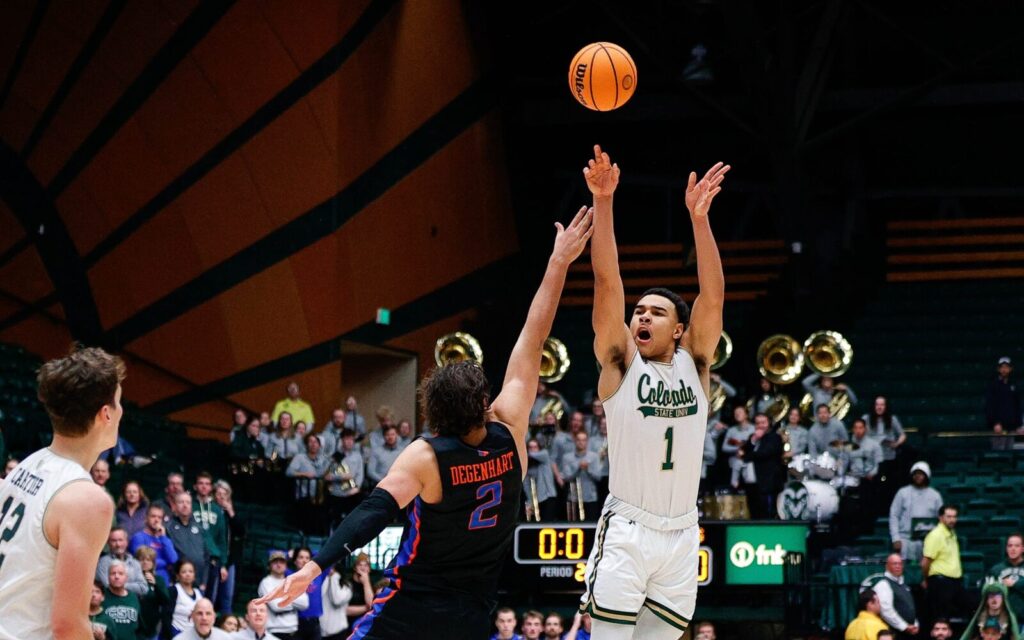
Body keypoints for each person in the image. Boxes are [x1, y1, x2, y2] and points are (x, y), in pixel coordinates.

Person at [256, 205, 593, 639]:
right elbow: (534, 334)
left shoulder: (427, 456)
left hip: (408, 607)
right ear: (484, 402)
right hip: (471, 615)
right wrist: (558, 262)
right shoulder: (510, 431)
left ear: (435, 413)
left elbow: (373, 512)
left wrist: (315, 567)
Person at [580, 144, 729, 638]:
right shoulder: (622, 367)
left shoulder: (696, 363)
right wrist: (604, 201)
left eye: (656, 312)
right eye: (639, 311)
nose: (642, 315)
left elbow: (713, 295)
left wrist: (699, 219)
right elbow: (606, 281)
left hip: (684, 533)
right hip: (628, 531)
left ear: (680, 330)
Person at [0, 346, 125, 640]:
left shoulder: (29, 464)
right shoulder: (87, 500)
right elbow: (68, 626)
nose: (122, 411)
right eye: (119, 402)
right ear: (105, 414)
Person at [922, 505, 974, 623]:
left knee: (971, 606)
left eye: (954, 517)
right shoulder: (936, 535)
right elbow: (925, 562)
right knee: (941, 619)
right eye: (949, 516)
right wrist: (926, 580)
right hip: (940, 582)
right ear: (941, 518)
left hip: (954, 582)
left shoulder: (951, 533)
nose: (952, 520)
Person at [890, 462, 944, 561]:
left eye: (921, 474)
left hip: (927, 541)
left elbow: (941, 520)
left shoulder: (935, 495)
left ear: (926, 476)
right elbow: (894, 516)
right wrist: (896, 538)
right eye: (915, 474)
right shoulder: (902, 493)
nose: (918, 476)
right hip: (905, 539)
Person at [739, 412, 784, 519]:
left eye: (763, 422)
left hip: (767, 483)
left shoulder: (775, 437)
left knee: (767, 513)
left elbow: (764, 453)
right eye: (758, 423)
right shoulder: (752, 437)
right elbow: (743, 451)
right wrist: (754, 440)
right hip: (751, 482)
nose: (760, 425)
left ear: (769, 423)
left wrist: (748, 455)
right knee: (753, 511)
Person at [193, 472, 229, 606]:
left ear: (210, 488)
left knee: (208, 599)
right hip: (194, 557)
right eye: (201, 483)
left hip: (213, 559)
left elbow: (222, 539)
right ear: (195, 486)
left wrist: (223, 564)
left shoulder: (216, 510)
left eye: (207, 484)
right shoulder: (189, 505)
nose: (204, 487)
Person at [167, 491, 213, 591]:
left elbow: (206, 556)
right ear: (174, 506)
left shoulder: (199, 527)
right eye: (181, 502)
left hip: (198, 582)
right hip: (177, 581)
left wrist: (204, 582)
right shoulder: (168, 527)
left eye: (188, 502)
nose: (185, 505)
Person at [286, 435, 331, 534]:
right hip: (304, 496)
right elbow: (289, 472)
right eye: (310, 441)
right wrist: (304, 474)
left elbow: (323, 473)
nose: (313, 444)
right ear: (306, 444)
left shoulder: (323, 459)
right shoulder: (299, 457)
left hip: (319, 497)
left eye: (316, 442)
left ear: (319, 445)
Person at [259, 551, 309, 639]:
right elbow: (276, 606)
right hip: (274, 632)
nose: (279, 565)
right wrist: (293, 597)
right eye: (275, 562)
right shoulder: (266, 582)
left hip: (293, 632)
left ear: (286, 565)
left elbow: (305, 604)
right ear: (270, 565)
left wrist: (283, 598)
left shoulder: (293, 581)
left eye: (282, 562)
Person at [319, 560, 372, 640]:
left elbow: (371, 604)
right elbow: (343, 609)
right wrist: (367, 609)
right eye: (360, 565)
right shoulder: (347, 583)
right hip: (343, 626)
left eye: (366, 565)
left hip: (363, 626)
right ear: (355, 567)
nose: (363, 568)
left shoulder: (371, 584)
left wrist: (366, 582)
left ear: (369, 569)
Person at [870, 553, 920, 637]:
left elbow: (910, 608)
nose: (898, 566)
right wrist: (904, 626)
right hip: (894, 633)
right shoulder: (883, 584)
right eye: (894, 563)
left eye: (900, 563)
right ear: (887, 566)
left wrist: (915, 624)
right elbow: (886, 611)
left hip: (910, 631)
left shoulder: (904, 585)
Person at [130, 504, 179, 584]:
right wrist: (165, 563)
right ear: (146, 518)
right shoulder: (138, 537)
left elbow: (173, 559)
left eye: (159, 517)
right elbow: (142, 561)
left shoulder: (164, 538)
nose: (156, 520)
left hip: (164, 580)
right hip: (145, 579)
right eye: (153, 516)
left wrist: (163, 537)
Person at [324, 429, 364, 526]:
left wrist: (357, 487)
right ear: (342, 440)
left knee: (352, 520)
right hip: (336, 493)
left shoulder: (357, 456)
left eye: (351, 439)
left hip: (352, 492)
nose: (349, 441)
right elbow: (327, 475)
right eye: (347, 439)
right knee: (335, 520)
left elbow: (360, 474)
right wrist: (341, 477)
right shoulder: (334, 456)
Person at [561, 430, 601, 521]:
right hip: (573, 498)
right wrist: (578, 467)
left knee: (591, 527)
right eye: (579, 440)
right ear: (575, 441)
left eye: (583, 440)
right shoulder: (567, 457)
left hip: (590, 498)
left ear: (587, 442)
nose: (581, 442)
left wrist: (588, 469)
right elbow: (566, 477)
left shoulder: (594, 457)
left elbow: (598, 477)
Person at [97, 527, 148, 595]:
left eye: (120, 540)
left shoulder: (135, 563)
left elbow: (143, 588)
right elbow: (108, 587)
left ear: (126, 542)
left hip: (132, 603)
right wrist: (133, 585)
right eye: (114, 541)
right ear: (108, 543)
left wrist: (121, 584)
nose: (118, 544)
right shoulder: (103, 563)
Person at [135, 546, 170, 640]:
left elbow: (166, 601)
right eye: (141, 559)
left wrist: (156, 585)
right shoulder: (130, 579)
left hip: (152, 628)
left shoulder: (159, 580)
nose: (145, 562)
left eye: (148, 560)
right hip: (134, 628)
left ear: (153, 563)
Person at [986, 357, 1022, 447]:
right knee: (999, 454)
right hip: (998, 428)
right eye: (1002, 367)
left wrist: (1019, 425)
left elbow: (1017, 406)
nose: (1004, 370)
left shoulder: (1014, 385)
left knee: (1010, 454)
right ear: (998, 369)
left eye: (1006, 367)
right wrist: (995, 423)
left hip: (1011, 428)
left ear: (1010, 369)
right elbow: (989, 406)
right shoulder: (993, 385)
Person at [289, 548, 324, 640]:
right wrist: (288, 554)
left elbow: (330, 559)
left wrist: (313, 553)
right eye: (301, 557)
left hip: (314, 624)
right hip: (296, 624)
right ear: (295, 561)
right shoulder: (290, 575)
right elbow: (272, 554)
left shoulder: (319, 575)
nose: (304, 560)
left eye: (307, 558)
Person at [988, 533, 1024, 622]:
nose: (1013, 549)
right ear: (1006, 548)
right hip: (1003, 619)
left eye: (1017, 546)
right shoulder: (996, 570)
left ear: (1023, 548)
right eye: (1010, 546)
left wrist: (1015, 584)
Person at [525, 438, 558, 522]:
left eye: (535, 447)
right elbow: (526, 485)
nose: (532, 450)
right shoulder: (527, 465)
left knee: (548, 523)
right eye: (530, 447)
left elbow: (529, 455)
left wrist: (524, 454)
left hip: (548, 496)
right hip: (534, 499)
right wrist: (529, 501)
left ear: (539, 448)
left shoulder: (544, 455)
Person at [723, 406, 755, 491]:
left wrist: (745, 451)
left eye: (740, 412)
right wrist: (737, 449)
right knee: (737, 463)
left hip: (750, 460)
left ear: (746, 415)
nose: (737, 414)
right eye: (735, 413)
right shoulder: (731, 430)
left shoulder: (754, 429)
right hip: (735, 461)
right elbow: (724, 447)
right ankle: (734, 487)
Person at [169, 560, 203, 636]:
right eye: (184, 572)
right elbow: (166, 616)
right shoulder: (174, 590)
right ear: (177, 575)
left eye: (191, 572)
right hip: (175, 632)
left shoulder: (198, 593)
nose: (188, 574)